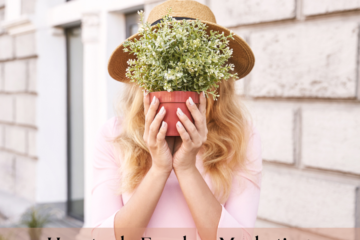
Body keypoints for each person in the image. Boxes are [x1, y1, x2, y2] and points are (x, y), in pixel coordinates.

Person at [91, 1, 262, 240]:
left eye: (192, 62)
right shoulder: (114, 135)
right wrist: (159, 169)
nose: (178, 79)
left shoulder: (239, 136)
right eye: (166, 64)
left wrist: (186, 168)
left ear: (214, 73)